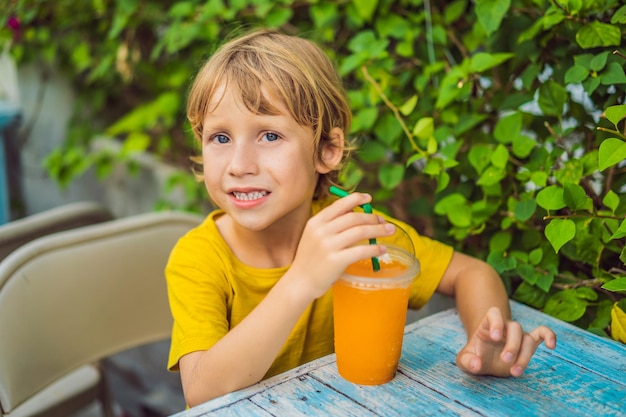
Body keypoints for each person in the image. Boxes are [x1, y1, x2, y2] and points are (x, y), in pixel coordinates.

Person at [165, 28, 557, 407]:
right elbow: (201, 392)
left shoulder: (354, 233)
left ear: (327, 150)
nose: (239, 165)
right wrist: (302, 279)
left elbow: (472, 273)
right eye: (220, 137)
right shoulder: (199, 259)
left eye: (269, 135)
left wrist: (488, 343)